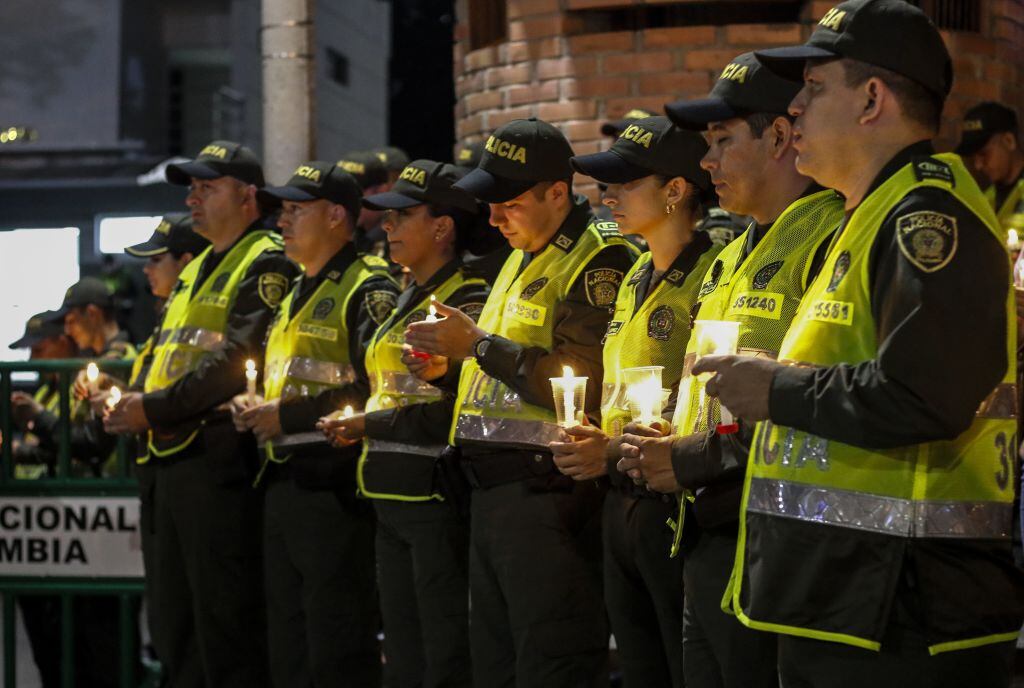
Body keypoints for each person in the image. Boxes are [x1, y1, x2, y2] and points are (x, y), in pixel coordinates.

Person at [690, 2, 1024, 685]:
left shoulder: (925, 219)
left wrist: (774, 388)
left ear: (872, 99)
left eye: (813, 90)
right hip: (848, 598)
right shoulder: (866, 216)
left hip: (905, 611)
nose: (796, 111)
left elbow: (923, 394)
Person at [618, 51, 846, 688]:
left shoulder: (830, 236)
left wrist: (690, 460)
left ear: (779, 136)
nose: (706, 161)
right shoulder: (732, 251)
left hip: (774, 537)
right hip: (705, 529)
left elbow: (816, 399)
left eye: (721, 141)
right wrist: (672, 447)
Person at [403, 117, 638, 687]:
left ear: (557, 193)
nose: (493, 217)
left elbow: (580, 379)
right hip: (492, 494)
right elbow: (500, 373)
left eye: (507, 202)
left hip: (548, 496)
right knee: (497, 666)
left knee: (550, 662)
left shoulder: (599, 259)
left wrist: (479, 345)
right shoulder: (521, 253)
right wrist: (447, 369)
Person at [104, 139, 298, 687]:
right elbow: (172, 354)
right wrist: (130, 399)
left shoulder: (266, 259)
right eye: (191, 189)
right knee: (174, 626)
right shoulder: (197, 270)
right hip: (169, 458)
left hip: (217, 462)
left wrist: (152, 407)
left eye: (207, 188)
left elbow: (236, 360)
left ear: (248, 197)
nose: (193, 199)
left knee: (225, 627)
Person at [554, 116, 722, 687]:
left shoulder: (714, 272)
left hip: (676, 500)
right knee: (638, 663)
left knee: (683, 664)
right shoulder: (633, 277)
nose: (609, 197)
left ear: (676, 190)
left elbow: (708, 394)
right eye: (608, 185)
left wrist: (618, 446)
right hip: (619, 496)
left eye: (625, 183)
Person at [320, 159, 491, 688]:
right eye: (387, 219)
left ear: (442, 228)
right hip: (388, 492)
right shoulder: (406, 293)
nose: (387, 227)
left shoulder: (465, 298)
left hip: (435, 496)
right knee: (404, 652)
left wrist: (371, 425)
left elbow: (456, 408)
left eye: (403, 217)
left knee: (444, 652)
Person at [231, 160, 398, 687]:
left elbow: (378, 388)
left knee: (336, 641)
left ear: (335, 217)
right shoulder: (296, 291)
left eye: (295, 210)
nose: (282, 220)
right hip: (284, 480)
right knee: (290, 643)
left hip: (335, 486)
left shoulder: (367, 285)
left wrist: (283, 413)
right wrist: (259, 405)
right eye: (282, 210)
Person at [121, 211, 209, 675]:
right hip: (159, 465)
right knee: (168, 617)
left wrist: (144, 408)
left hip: (194, 463)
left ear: (187, 261)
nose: (147, 269)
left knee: (195, 619)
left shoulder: (195, 308)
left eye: (157, 259)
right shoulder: (169, 313)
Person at [955, 101, 1024, 233]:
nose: (978, 165)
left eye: (983, 154)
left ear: (1009, 141)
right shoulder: (986, 200)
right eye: (973, 157)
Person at [339, 150, 394, 256]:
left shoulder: (400, 238)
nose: (343, 202)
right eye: (338, 193)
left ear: (381, 192)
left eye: (352, 193)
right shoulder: (343, 234)